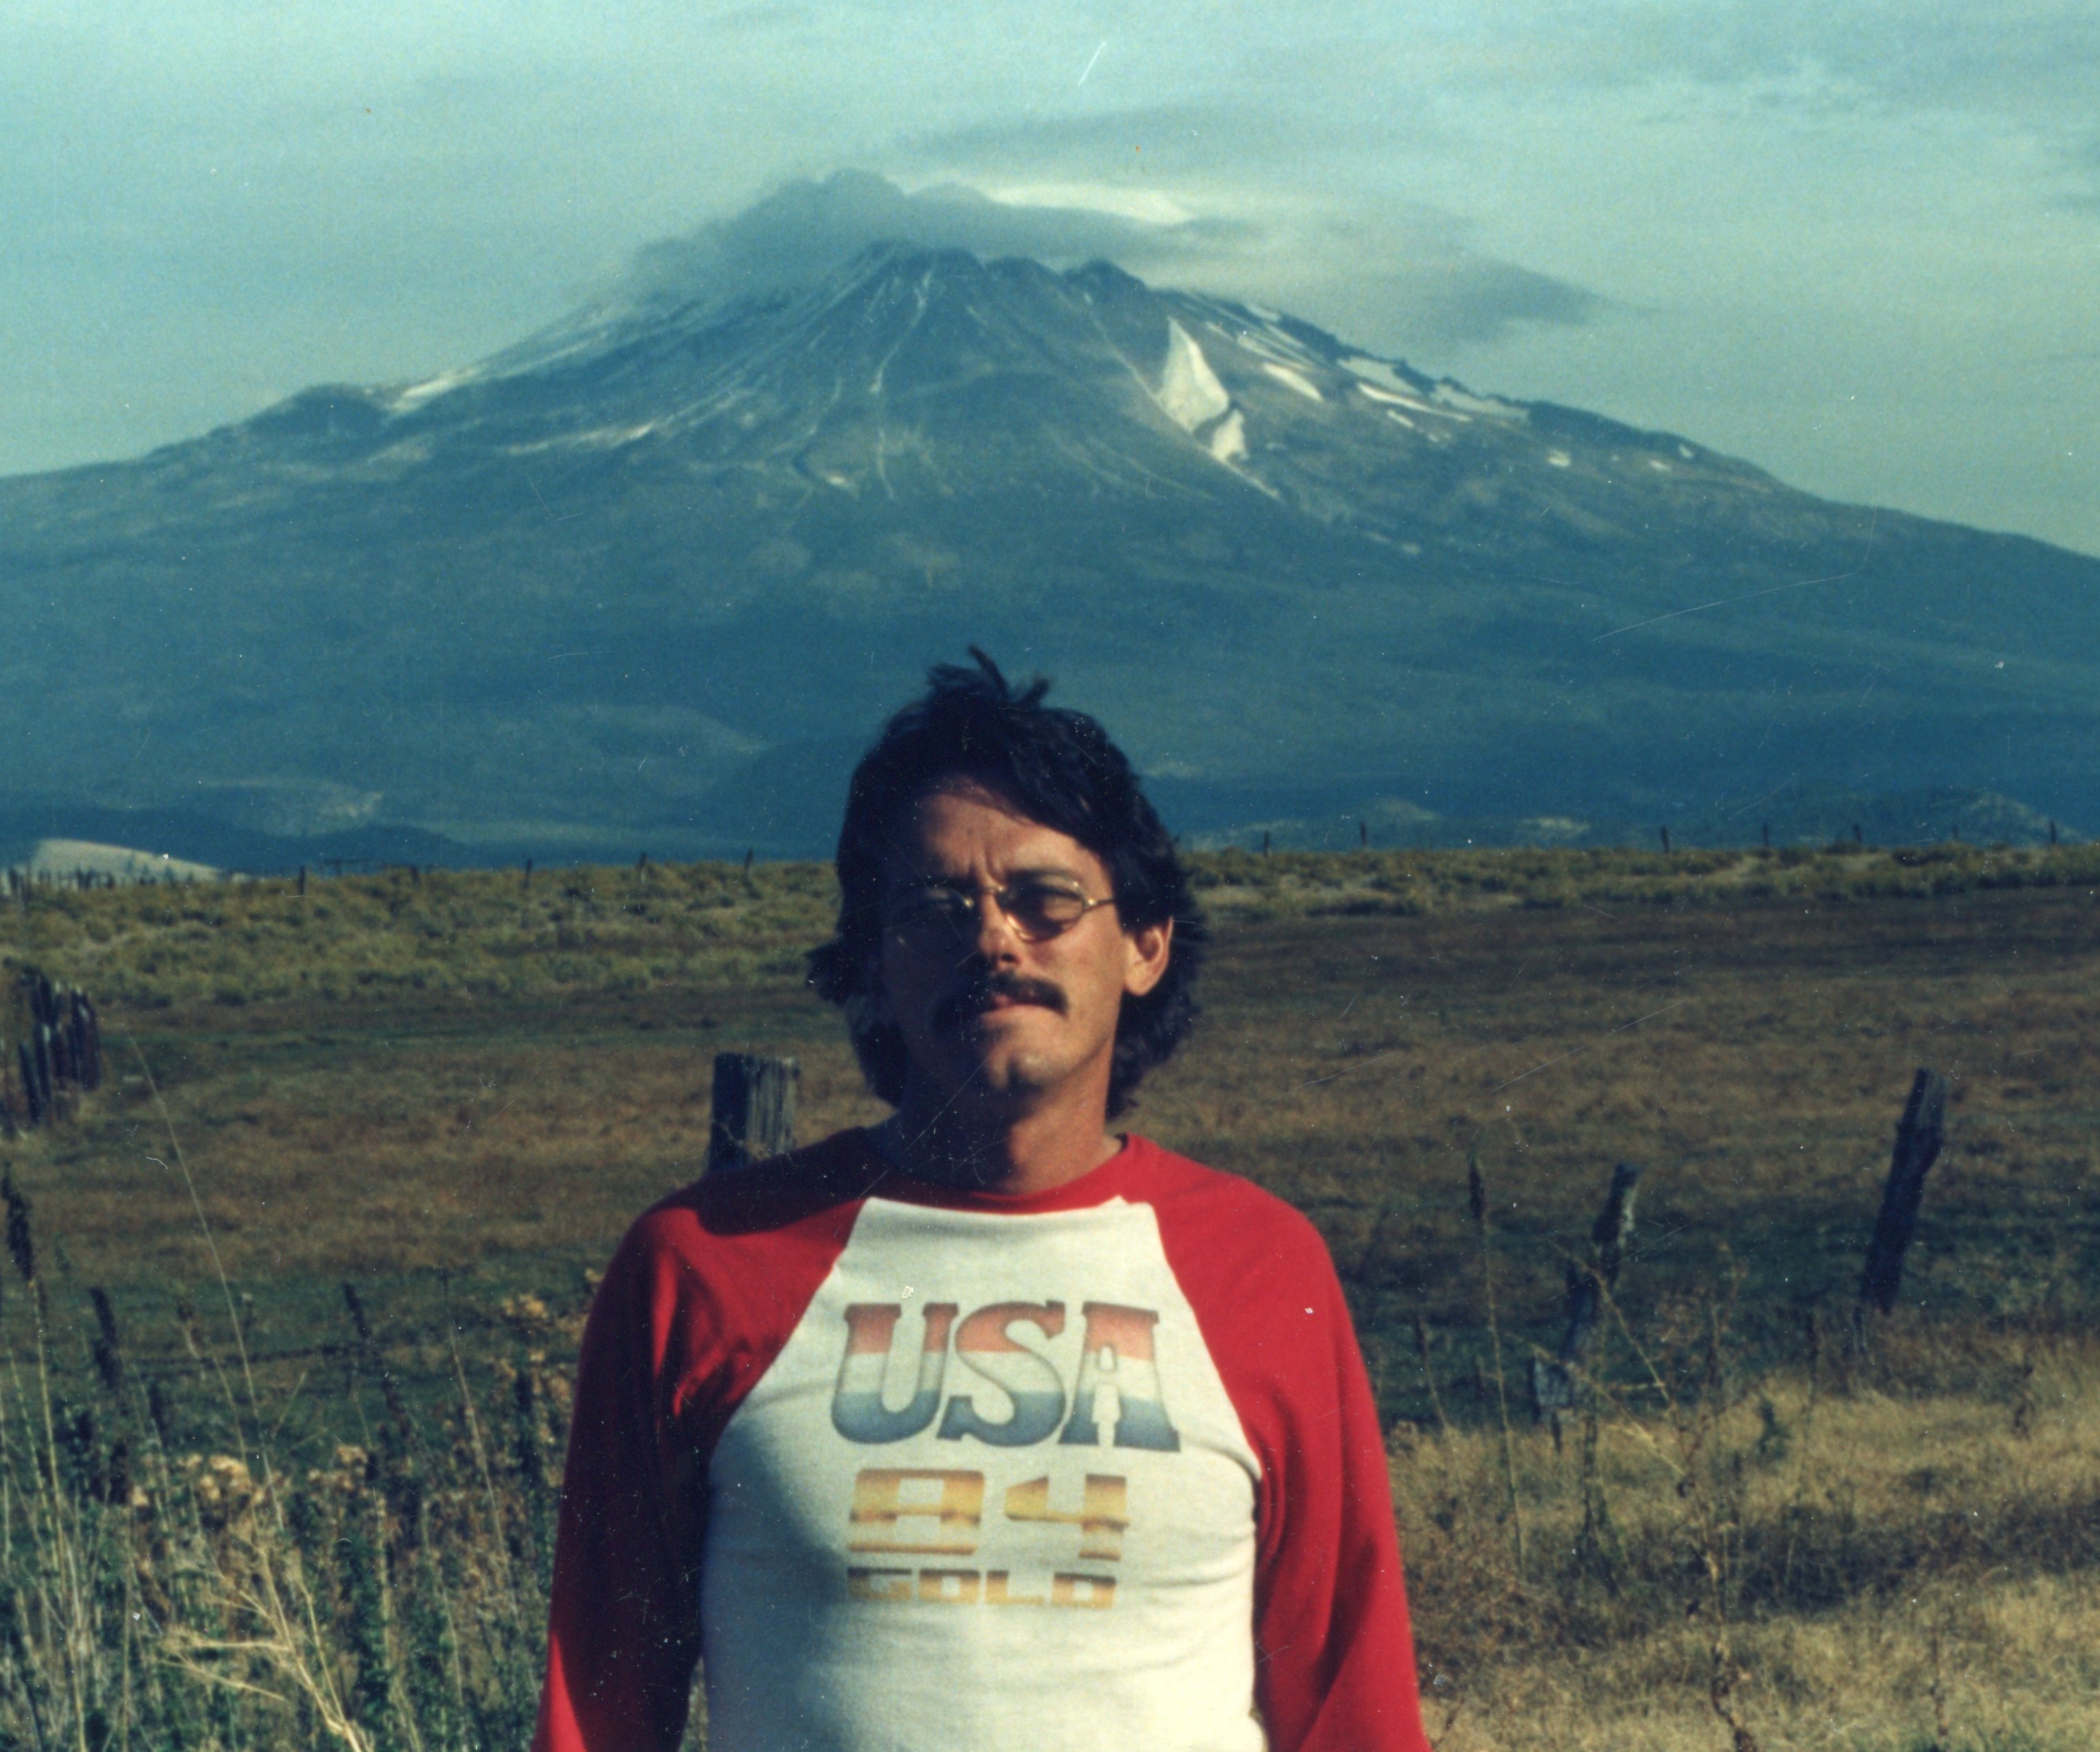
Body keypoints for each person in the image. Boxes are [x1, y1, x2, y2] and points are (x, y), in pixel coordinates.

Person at [532, 651, 1430, 1752]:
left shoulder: (1261, 1266)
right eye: (935, 907)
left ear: (1146, 945)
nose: (993, 940)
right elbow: (597, 1709)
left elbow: (1353, 1707)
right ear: (870, 962)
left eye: (1046, 902)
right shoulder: (704, 1264)